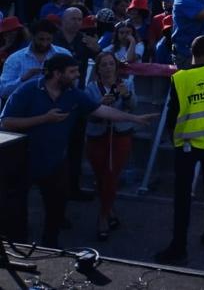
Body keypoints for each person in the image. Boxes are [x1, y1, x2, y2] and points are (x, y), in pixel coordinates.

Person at [0, 54, 156, 246]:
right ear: (57, 73)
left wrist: (134, 119)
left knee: (56, 209)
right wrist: (43, 119)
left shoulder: (72, 94)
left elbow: (100, 110)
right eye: (72, 72)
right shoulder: (28, 90)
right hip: (24, 161)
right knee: (15, 213)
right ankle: (18, 248)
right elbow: (6, 122)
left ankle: (50, 247)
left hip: (55, 162)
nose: (77, 75)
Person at [155, 35, 204, 264]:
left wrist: (175, 139)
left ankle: (178, 247)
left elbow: (172, 115)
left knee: (182, 198)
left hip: (186, 145)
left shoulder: (179, 78)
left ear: (191, 51)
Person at [84, 51, 136, 240]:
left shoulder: (126, 84)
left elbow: (133, 107)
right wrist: (98, 105)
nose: (108, 68)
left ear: (116, 67)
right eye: (103, 65)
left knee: (111, 175)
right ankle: (110, 208)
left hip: (120, 135)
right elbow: (85, 114)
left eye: (111, 64)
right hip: (97, 136)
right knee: (100, 176)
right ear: (98, 69)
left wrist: (127, 95)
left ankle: (103, 217)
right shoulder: (90, 88)